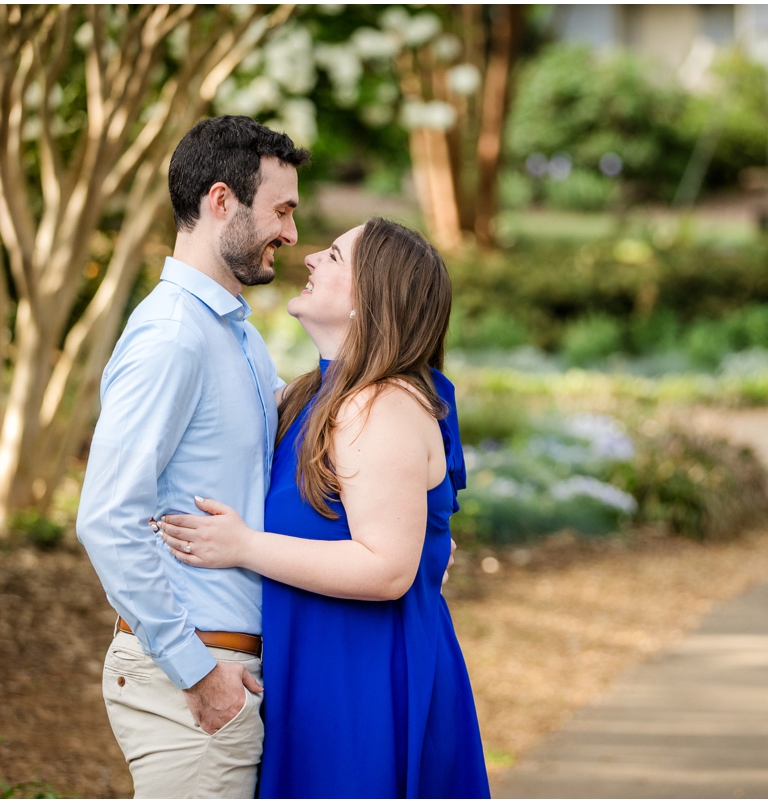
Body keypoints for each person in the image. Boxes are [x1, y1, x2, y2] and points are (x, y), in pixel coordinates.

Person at [155, 217, 492, 798]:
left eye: (334, 256)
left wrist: (243, 547)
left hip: (363, 683)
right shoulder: (313, 395)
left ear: (371, 299)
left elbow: (388, 569)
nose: (310, 257)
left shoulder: (378, 405)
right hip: (318, 671)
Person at [77, 116, 309, 797]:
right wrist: (198, 673)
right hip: (195, 676)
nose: (292, 234)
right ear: (220, 202)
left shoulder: (232, 333)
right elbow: (107, 516)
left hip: (229, 667)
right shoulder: (173, 336)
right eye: (282, 210)